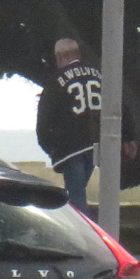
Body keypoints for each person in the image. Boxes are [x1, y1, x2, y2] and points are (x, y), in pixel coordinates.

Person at [35, 39, 119, 213]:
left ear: (58, 57)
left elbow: (44, 120)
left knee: (76, 196)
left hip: (70, 147)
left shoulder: (55, 82)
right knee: (79, 190)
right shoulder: (98, 74)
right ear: (78, 54)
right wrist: (129, 135)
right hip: (95, 142)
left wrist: (51, 148)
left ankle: (83, 236)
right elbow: (119, 105)